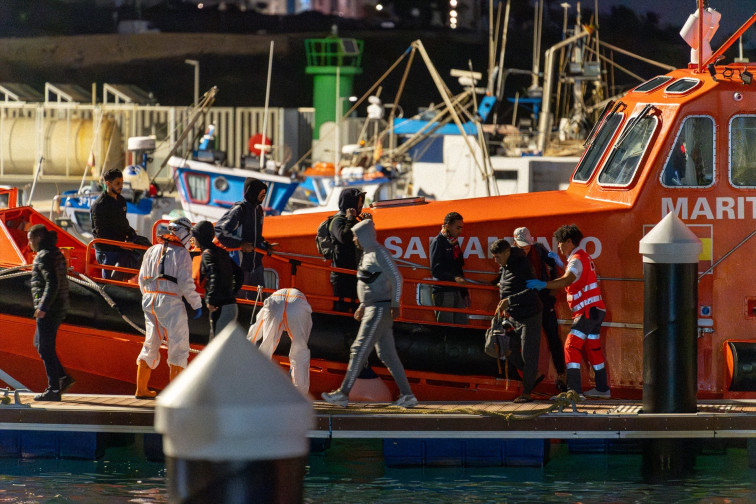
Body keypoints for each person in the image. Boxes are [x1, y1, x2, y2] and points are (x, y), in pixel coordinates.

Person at [321, 219, 417, 408]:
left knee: (358, 350)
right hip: (371, 307)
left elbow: (397, 277)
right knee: (387, 355)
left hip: (379, 309)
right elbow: (368, 282)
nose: (354, 239)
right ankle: (408, 395)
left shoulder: (380, 253)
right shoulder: (367, 254)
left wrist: (395, 303)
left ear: (364, 235)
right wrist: (363, 305)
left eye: (356, 235)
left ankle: (343, 393)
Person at [527, 224, 610, 399]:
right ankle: (602, 389)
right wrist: (560, 264)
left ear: (569, 242)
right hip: (596, 310)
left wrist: (544, 284)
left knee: (570, 347)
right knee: (593, 349)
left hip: (586, 311)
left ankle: (574, 391)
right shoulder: (583, 257)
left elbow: (568, 280)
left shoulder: (576, 260)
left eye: (560, 242)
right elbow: (576, 277)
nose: (558, 246)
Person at [135, 217, 203, 399]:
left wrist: (148, 296)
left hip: (149, 300)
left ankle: (141, 389)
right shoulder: (182, 254)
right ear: (185, 232)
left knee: (151, 343)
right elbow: (186, 284)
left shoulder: (151, 250)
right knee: (179, 346)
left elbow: (141, 278)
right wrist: (196, 304)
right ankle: (176, 395)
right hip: (171, 302)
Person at [513, 227, 567, 392]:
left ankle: (562, 375)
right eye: (522, 245)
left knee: (553, 337)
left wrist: (550, 294)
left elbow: (553, 269)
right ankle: (529, 376)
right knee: (522, 341)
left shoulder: (538, 248)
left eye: (527, 244)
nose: (525, 248)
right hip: (525, 301)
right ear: (515, 242)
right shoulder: (512, 254)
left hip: (543, 297)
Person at [490, 239, 543, 403]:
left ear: (507, 253)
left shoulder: (523, 265)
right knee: (509, 350)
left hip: (530, 315)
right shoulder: (505, 265)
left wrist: (509, 300)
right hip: (513, 316)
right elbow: (504, 283)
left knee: (529, 354)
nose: (495, 261)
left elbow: (532, 291)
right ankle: (532, 376)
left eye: (498, 257)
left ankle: (527, 392)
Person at [28, 224, 74, 401]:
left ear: (38, 238)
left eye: (30, 239)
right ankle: (62, 377)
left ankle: (53, 389)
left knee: (45, 347)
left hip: (50, 309)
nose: (30, 243)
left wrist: (43, 307)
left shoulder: (44, 256)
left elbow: (52, 283)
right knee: (40, 344)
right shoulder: (54, 253)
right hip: (58, 307)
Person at [214, 177, 273, 298]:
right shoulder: (240, 210)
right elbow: (220, 230)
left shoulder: (258, 210)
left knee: (259, 300)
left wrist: (264, 245)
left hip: (256, 265)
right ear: (253, 192)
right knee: (239, 301)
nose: (264, 196)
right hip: (240, 266)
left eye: (265, 194)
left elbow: (256, 237)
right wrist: (240, 244)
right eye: (262, 193)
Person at [247, 288, 312, 395]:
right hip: (298, 306)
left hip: (275, 303)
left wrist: (249, 341)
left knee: (265, 349)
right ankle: (300, 394)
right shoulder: (302, 299)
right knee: (300, 351)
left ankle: (255, 389)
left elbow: (258, 326)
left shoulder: (276, 294)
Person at [191, 220, 243, 340]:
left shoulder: (207, 254)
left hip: (220, 308)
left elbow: (214, 275)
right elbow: (239, 273)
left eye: (195, 236)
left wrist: (211, 300)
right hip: (231, 306)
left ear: (201, 237)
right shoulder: (221, 252)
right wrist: (232, 292)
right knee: (224, 345)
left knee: (216, 345)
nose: (193, 239)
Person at [90, 168, 137, 279]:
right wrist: (119, 243)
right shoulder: (99, 205)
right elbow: (100, 232)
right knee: (109, 283)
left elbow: (123, 223)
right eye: (117, 183)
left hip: (121, 248)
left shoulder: (121, 200)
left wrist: (132, 235)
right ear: (108, 184)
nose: (121, 186)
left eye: (122, 183)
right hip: (107, 251)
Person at [329, 188, 368, 312]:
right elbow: (344, 238)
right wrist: (350, 219)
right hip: (341, 274)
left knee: (355, 304)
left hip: (352, 271)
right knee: (342, 308)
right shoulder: (337, 220)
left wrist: (367, 223)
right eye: (359, 201)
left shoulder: (354, 220)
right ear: (350, 203)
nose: (361, 205)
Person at [429, 212, 469, 324]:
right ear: (447, 226)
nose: (460, 231)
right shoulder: (438, 241)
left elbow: (459, 267)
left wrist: (464, 292)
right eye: (458, 227)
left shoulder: (453, 242)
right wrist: (454, 278)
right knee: (446, 327)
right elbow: (436, 270)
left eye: (461, 227)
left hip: (457, 290)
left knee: (461, 325)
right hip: (444, 291)